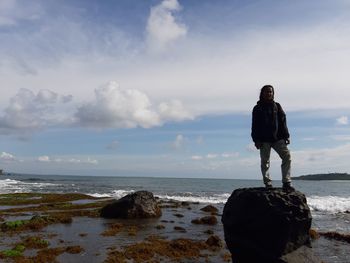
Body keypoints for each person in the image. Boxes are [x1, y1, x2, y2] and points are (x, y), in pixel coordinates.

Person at [251, 85, 294, 191]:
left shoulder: (277, 106)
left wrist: (286, 136)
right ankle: (267, 183)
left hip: (278, 138)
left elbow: (283, 121)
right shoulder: (257, 108)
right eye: (266, 92)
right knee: (265, 162)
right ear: (262, 93)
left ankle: (286, 181)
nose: (269, 93)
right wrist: (256, 140)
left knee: (287, 157)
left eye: (270, 92)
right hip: (263, 140)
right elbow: (254, 125)